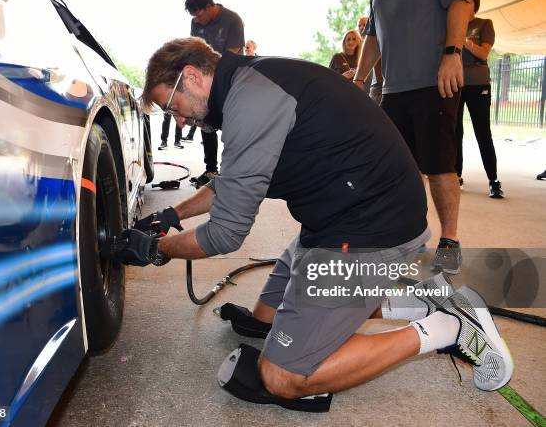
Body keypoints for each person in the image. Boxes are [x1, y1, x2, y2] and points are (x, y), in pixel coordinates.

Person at [118, 37, 513, 404]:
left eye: (172, 107)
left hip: (370, 227)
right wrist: (172, 214)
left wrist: (156, 250)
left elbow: (224, 235)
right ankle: (415, 304)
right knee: (265, 319)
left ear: (191, 76)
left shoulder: (250, 102)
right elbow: (230, 184)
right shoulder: (249, 86)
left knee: (284, 374)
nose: (180, 122)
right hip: (338, 218)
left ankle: (451, 329)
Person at [355, 0, 474, 275]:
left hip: (434, 80)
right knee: (397, 170)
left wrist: (452, 53)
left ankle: (449, 242)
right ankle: (410, 238)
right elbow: (372, 36)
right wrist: (359, 79)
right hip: (393, 90)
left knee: (439, 164)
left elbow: (461, 2)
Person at [184, 0, 245, 187]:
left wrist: (209, 75)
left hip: (230, 78)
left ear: (210, 7)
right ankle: (211, 170)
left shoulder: (232, 20)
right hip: (206, 80)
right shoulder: (196, 22)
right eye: (194, 17)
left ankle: (233, 171)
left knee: (231, 124)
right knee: (205, 121)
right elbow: (194, 49)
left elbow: (232, 56)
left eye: (199, 15)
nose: (197, 21)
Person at [455, 0, 503, 198]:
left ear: (474, 3)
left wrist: (464, 40)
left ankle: (493, 180)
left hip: (478, 84)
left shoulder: (484, 24)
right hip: (456, 83)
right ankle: (456, 175)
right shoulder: (452, 24)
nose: (465, 4)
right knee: (455, 132)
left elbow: (483, 53)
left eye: (468, 0)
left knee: (483, 132)